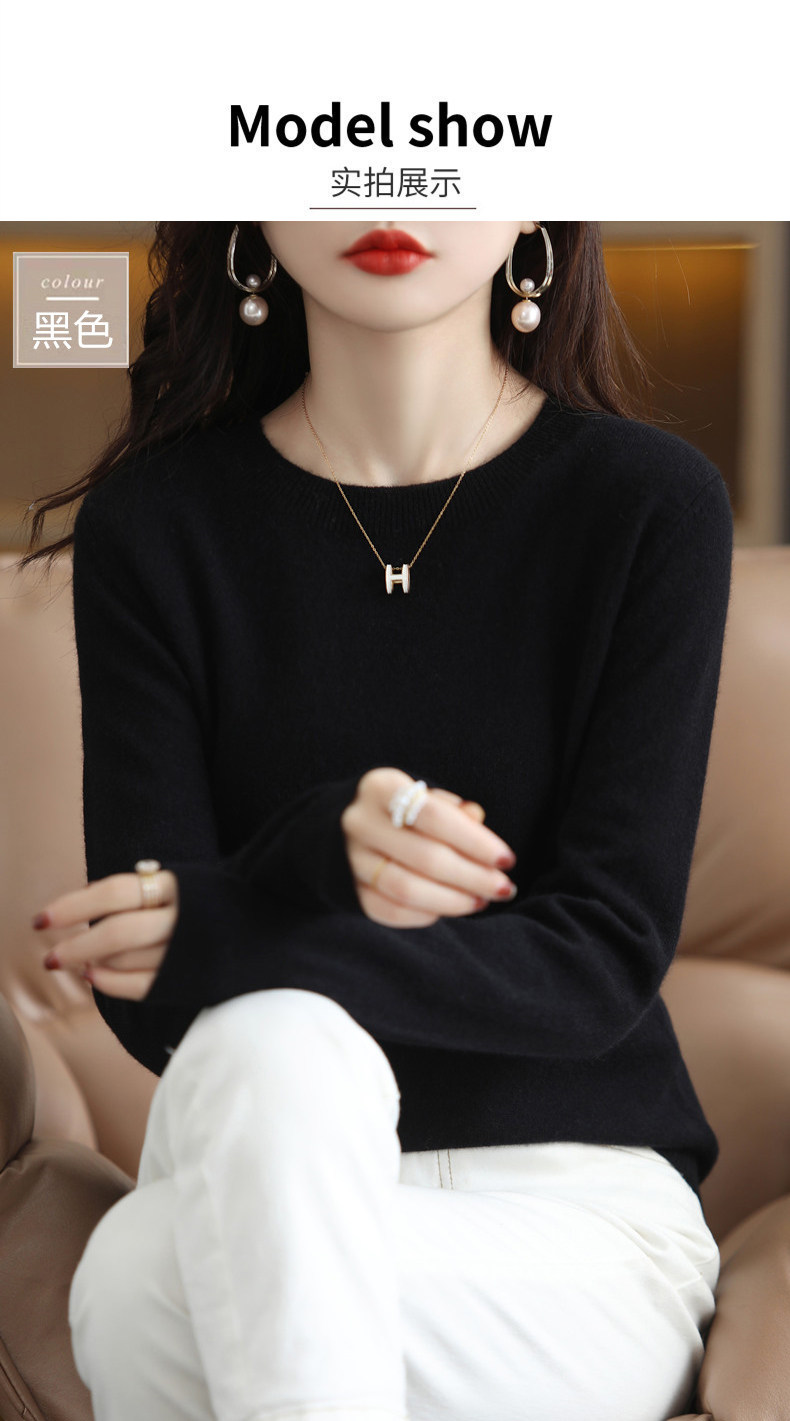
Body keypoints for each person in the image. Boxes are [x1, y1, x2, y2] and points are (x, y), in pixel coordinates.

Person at [22, 220, 732, 1421]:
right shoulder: (156, 522)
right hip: (244, 1158)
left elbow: (598, 957)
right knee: (268, 1048)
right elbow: (153, 992)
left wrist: (245, 917)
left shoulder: (646, 504)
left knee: (148, 1284)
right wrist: (316, 854)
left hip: (571, 1213)